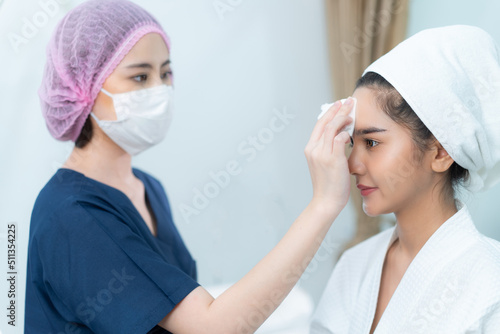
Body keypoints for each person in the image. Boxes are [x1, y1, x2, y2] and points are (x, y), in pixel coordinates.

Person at [24, 0, 355, 333]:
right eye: (140, 76)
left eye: (165, 73)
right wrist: (324, 205)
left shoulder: (147, 188)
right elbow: (210, 327)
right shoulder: (71, 215)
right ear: (84, 87)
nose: (160, 89)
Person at [310, 25, 500, 333]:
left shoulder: (491, 284)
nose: (352, 165)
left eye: (371, 143)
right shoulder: (354, 265)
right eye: (351, 143)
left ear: (440, 151)